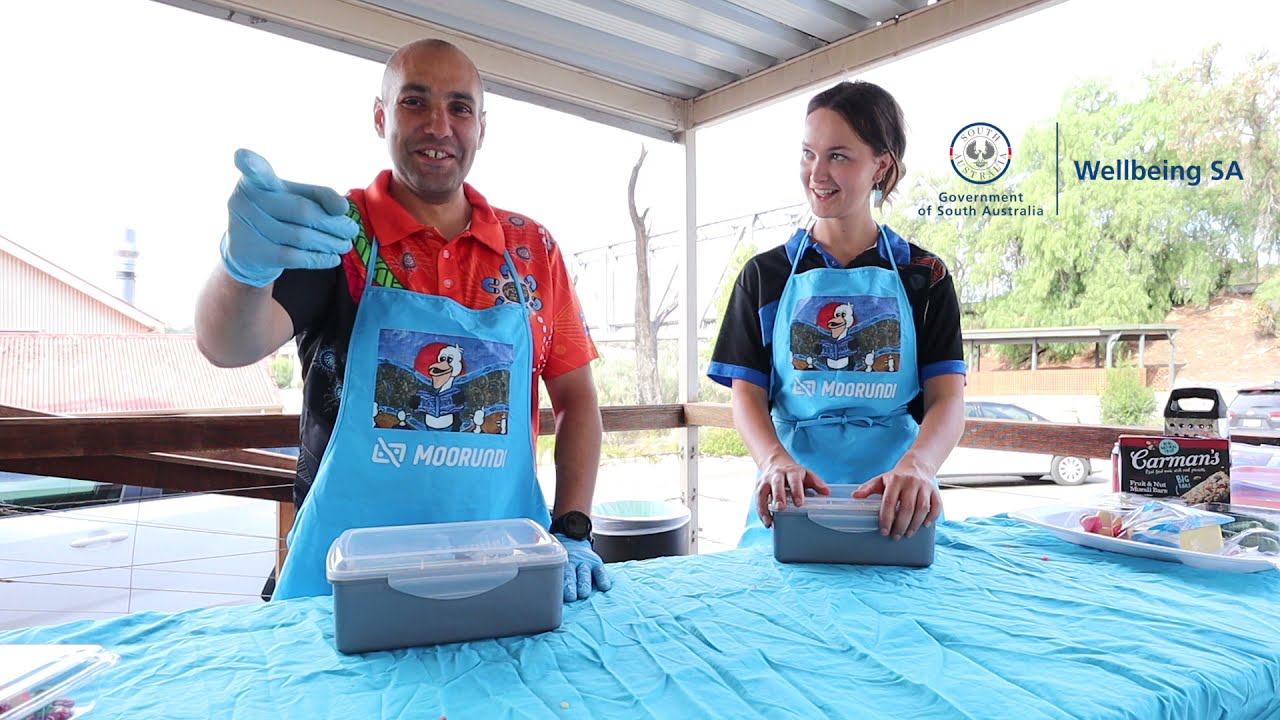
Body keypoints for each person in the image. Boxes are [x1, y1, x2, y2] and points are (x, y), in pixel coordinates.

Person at [195, 39, 610, 603]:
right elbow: (226, 344)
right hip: (347, 582)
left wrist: (573, 528)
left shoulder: (532, 250)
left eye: (459, 107)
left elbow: (577, 400)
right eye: (415, 102)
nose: (439, 125)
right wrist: (244, 266)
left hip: (502, 568)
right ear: (380, 116)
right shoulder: (337, 234)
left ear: (481, 127)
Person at [707, 81, 966, 544]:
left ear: (881, 165)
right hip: (793, 500)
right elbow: (746, 396)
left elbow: (947, 399)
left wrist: (919, 465)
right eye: (808, 154)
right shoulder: (764, 276)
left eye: (838, 156)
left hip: (898, 503)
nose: (817, 173)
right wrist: (774, 461)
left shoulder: (925, 276)